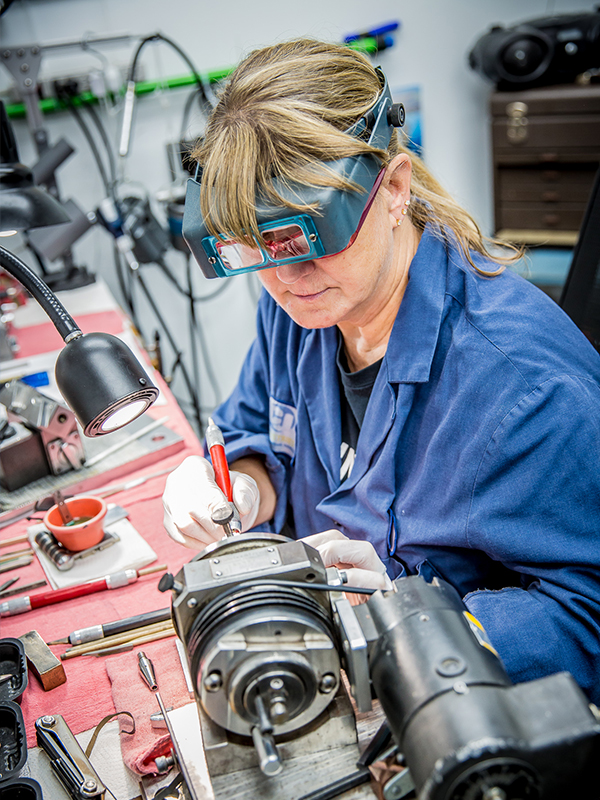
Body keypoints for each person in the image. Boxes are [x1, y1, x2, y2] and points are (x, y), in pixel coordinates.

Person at [163, 38, 600, 702]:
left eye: (306, 240)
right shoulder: (300, 309)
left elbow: (587, 614)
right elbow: (255, 431)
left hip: (457, 703)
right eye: (258, 246)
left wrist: (417, 619)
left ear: (393, 189)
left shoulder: (523, 384)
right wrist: (242, 489)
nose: (282, 278)